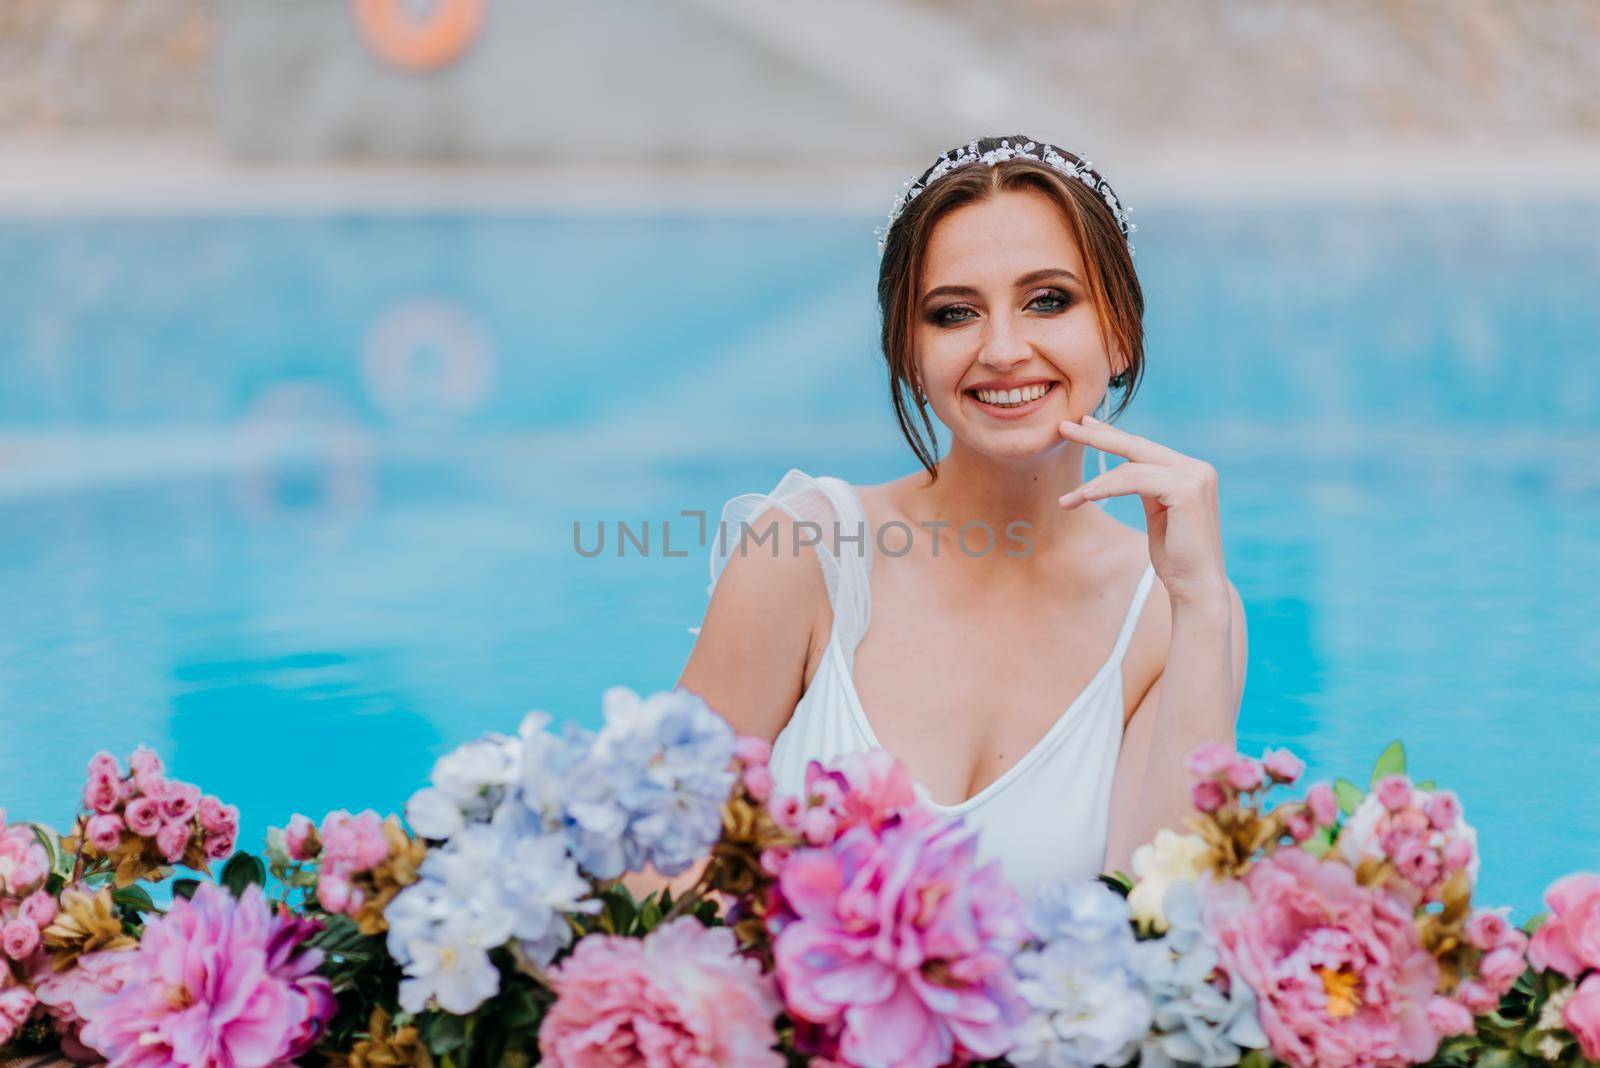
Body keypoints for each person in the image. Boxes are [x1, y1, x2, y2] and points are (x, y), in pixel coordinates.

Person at [665, 135, 1246, 899]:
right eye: (953, 313)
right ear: (908, 350)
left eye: (1049, 300)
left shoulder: (1173, 612)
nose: (1003, 349)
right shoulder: (803, 555)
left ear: (1121, 332)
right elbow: (656, 872)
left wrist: (1201, 606)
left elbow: (1167, 922)